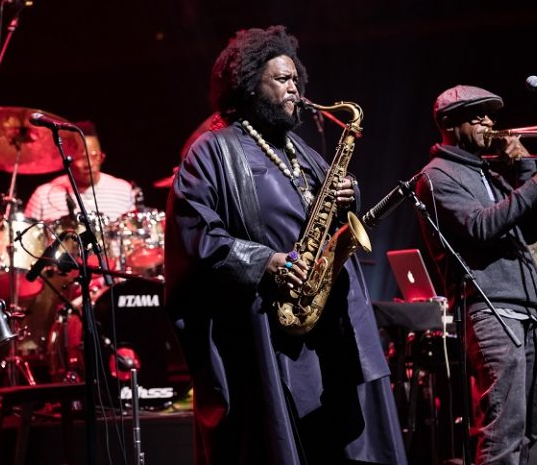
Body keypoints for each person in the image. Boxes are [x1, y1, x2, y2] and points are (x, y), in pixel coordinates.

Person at [164, 26, 407, 465]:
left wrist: (347, 196)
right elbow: (196, 234)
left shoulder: (301, 150)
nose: (295, 88)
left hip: (328, 326)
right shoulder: (211, 151)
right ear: (248, 85)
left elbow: (327, 215)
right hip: (267, 331)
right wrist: (267, 262)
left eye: (296, 79)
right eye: (281, 79)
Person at [414, 85, 537, 464]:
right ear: (449, 123)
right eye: (478, 115)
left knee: (526, 434)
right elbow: (480, 227)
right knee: (502, 434)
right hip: (492, 311)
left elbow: (528, 232)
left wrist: (525, 169)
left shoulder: (488, 172)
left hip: (529, 310)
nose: (489, 122)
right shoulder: (436, 177)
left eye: (491, 114)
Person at [24, 120, 138, 222]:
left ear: (102, 157)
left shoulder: (124, 190)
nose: (89, 164)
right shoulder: (43, 195)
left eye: (94, 156)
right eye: (81, 157)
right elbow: (27, 235)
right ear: (68, 158)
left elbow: (134, 233)